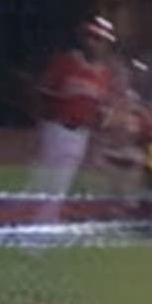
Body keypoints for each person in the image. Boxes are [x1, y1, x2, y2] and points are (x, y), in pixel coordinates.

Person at [30, 16, 120, 206]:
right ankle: (23, 223)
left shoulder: (104, 75)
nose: (96, 44)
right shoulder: (66, 62)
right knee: (42, 181)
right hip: (57, 128)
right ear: (85, 39)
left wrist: (96, 132)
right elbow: (43, 94)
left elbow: (100, 110)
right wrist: (44, 126)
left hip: (80, 135)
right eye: (93, 38)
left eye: (101, 40)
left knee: (61, 185)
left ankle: (46, 225)